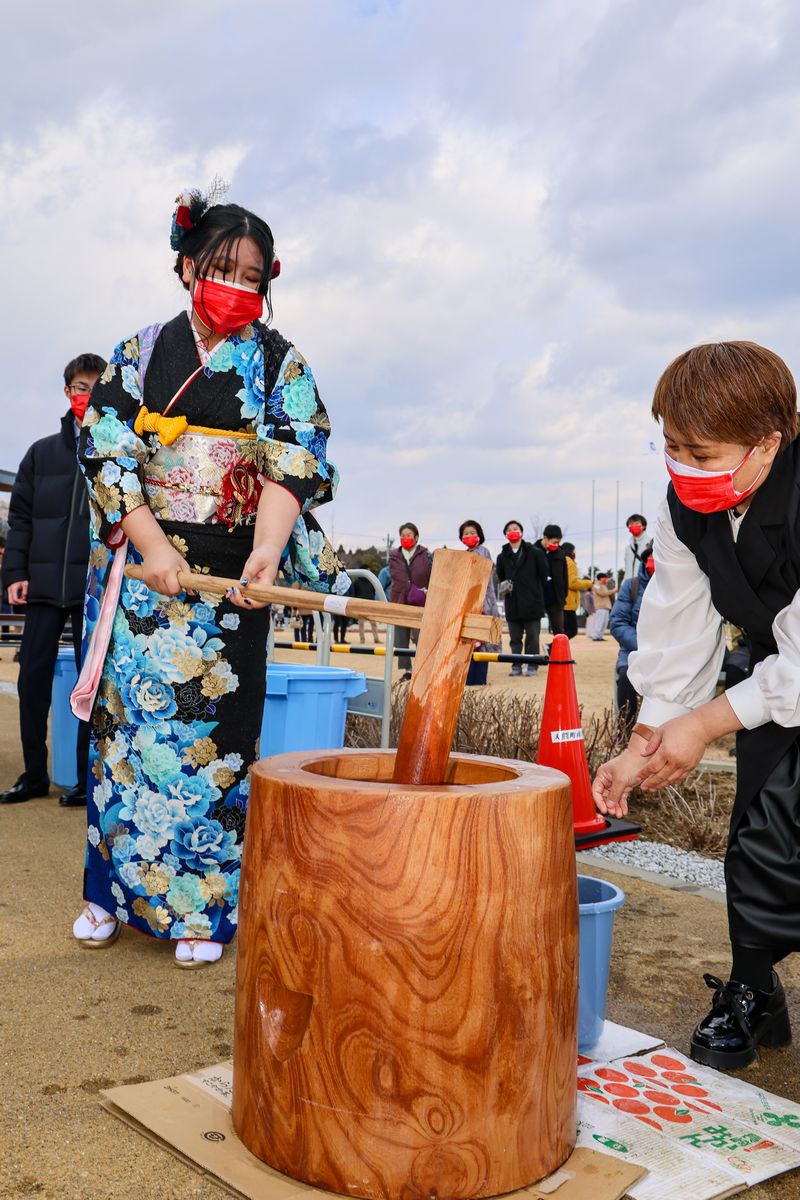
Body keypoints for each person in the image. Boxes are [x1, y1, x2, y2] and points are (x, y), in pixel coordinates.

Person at [72, 190, 348, 967]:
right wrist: (153, 546)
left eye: (252, 275)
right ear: (188, 264)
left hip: (232, 580)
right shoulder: (139, 351)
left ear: (269, 284)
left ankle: (204, 909)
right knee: (125, 738)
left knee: (217, 742)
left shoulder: (277, 362)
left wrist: (267, 550)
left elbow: (296, 456)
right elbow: (106, 451)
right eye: (221, 267)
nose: (236, 284)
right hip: (145, 574)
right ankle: (107, 896)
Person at [592, 340, 800, 1072]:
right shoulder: (684, 509)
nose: (684, 467)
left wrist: (706, 723)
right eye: (672, 447)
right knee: (761, 830)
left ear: (768, 442)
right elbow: (680, 628)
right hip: (777, 687)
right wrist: (645, 741)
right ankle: (753, 989)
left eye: (702, 452)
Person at [1, 353, 106, 807]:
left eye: (96, 388)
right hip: (41, 586)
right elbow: (19, 519)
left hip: (92, 591)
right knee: (33, 681)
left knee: (91, 684)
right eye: (80, 387)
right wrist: (15, 573)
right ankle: (33, 773)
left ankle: (85, 778)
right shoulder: (41, 454)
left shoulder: (115, 450)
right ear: (68, 392)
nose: (87, 396)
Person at [609, 543, 654, 737]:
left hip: (669, 651)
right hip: (634, 649)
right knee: (627, 673)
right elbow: (618, 623)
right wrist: (643, 647)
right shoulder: (631, 586)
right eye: (650, 557)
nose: (653, 561)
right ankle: (626, 732)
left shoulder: (678, 586)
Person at [495, 520, 547, 676]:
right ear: (505, 534)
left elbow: (543, 574)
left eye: (515, 529)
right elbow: (501, 576)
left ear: (522, 532)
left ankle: (533, 665)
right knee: (515, 638)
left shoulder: (535, 552)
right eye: (509, 529)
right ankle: (516, 665)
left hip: (532, 602)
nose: (512, 531)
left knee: (533, 637)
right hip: (513, 602)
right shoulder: (502, 556)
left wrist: (535, 591)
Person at [458, 520, 500, 686]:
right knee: (470, 642)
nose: (469, 536)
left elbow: (480, 576)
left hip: (483, 601)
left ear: (479, 535)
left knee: (482, 642)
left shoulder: (483, 552)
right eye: (465, 533)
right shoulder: (464, 553)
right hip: (469, 602)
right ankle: (470, 678)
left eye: (472, 532)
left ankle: (479, 678)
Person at [389, 522, 431, 681]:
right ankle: (408, 669)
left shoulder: (425, 555)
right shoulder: (394, 555)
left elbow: (432, 574)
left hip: (420, 601)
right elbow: (389, 577)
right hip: (399, 601)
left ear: (416, 537)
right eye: (403, 535)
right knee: (400, 639)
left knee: (422, 637)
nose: (405, 538)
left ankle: (422, 668)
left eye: (409, 535)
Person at [539, 525, 569, 635]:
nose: (556, 545)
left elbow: (564, 577)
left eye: (558, 542)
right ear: (546, 538)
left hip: (556, 599)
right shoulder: (533, 551)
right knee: (533, 631)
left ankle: (556, 651)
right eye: (554, 542)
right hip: (538, 597)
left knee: (559, 631)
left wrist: (563, 595)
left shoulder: (560, 554)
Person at [561, 542, 592, 639]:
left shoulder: (560, 560)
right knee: (572, 630)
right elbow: (572, 582)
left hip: (562, 601)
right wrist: (588, 583)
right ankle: (552, 646)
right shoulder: (569, 562)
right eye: (574, 551)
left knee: (564, 631)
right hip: (568, 602)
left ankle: (556, 649)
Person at [589, 572, 617, 640]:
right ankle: (596, 636)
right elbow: (602, 593)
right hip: (600, 606)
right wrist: (613, 591)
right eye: (604, 578)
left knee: (604, 623)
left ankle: (600, 636)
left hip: (605, 606)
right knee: (599, 622)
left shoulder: (603, 585)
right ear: (600, 578)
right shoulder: (596, 585)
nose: (606, 579)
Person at [623, 513, 648, 580]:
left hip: (644, 582)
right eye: (631, 524)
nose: (634, 526)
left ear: (643, 526)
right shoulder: (628, 548)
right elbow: (627, 568)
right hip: (629, 582)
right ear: (628, 528)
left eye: (637, 523)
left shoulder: (651, 543)